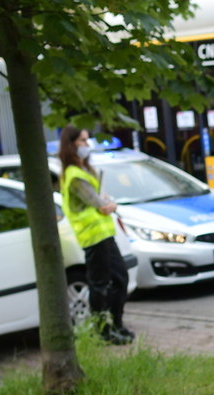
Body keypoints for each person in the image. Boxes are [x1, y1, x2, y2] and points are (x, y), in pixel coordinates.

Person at [59, 125, 133, 345]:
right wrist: (109, 204)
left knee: (120, 279)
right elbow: (99, 204)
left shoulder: (83, 170)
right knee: (99, 284)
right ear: (71, 145)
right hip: (92, 237)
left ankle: (116, 324)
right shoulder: (74, 176)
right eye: (83, 140)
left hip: (104, 235)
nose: (87, 145)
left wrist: (107, 203)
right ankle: (104, 331)